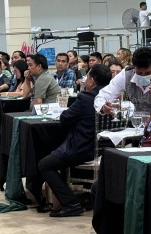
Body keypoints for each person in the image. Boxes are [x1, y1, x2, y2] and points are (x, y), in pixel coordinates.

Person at [39, 64, 112, 217]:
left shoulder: (86, 98)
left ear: (91, 81)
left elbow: (65, 118)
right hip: (106, 149)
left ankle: (71, 203)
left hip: (82, 149)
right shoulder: (114, 98)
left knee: (45, 164)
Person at [95, 47, 151, 114]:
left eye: (148, 73)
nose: (143, 75)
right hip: (136, 121)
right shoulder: (126, 74)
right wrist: (103, 107)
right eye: (139, 73)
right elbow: (103, 95)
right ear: (134, 67)